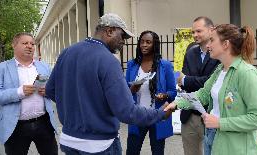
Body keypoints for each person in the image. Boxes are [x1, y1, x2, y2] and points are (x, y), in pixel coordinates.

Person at [45, 13, 172, 155]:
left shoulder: (67, 52)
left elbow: (50, 90)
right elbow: (126, 111)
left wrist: (80, 107)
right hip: (99, 145)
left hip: (69, 140)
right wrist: (160, 114)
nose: (123, 41)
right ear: (109, 31)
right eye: (122, 36)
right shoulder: (108, 60)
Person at [164, 24, 257, 155]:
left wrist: (220, 123)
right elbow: (202, 95)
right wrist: (177, 103)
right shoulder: (220, 70)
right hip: (213, 137)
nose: (208, 46)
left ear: (225, 44)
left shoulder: (247, 74)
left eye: (212, 40)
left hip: (235, 147)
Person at [0, 32, 58, 155]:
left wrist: (48, 92)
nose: (29, 46)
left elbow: (56, 89)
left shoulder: (44, 66)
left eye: (32, 44)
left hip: (44, 124)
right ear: (14, 45)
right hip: (15, 127)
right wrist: (19, 92)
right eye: (25, 43)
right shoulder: (2, 68)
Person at [125, 31, 177, 155]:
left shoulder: (165, 65)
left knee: (157, 151)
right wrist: (132, 89)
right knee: (132, 151)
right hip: (137, 115)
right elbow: (125, 91)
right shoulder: (132, 65)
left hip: (157, 115)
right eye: (142, 42)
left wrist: (165, 96)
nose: (144, 45)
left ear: (155, 45)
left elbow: (173, 91)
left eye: (148, 42)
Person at [177, 16, 220, 155]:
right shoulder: (190, 53)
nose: (195, 35)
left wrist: (187, 80)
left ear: (211, 29)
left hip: (211, 114)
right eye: (193, 32)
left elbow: (211, 82)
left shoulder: (219, 53)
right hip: (189, 115)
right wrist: (187, 81)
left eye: (199, 31)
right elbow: (184, 84)